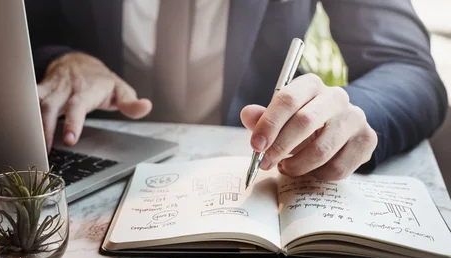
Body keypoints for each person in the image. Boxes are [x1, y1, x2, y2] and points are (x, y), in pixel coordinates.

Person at [24, 0, 447, 180]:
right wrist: (61, 59)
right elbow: (11, 26)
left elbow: (405, 66)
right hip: (84, 159)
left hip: (253, 170)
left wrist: (346, 117)